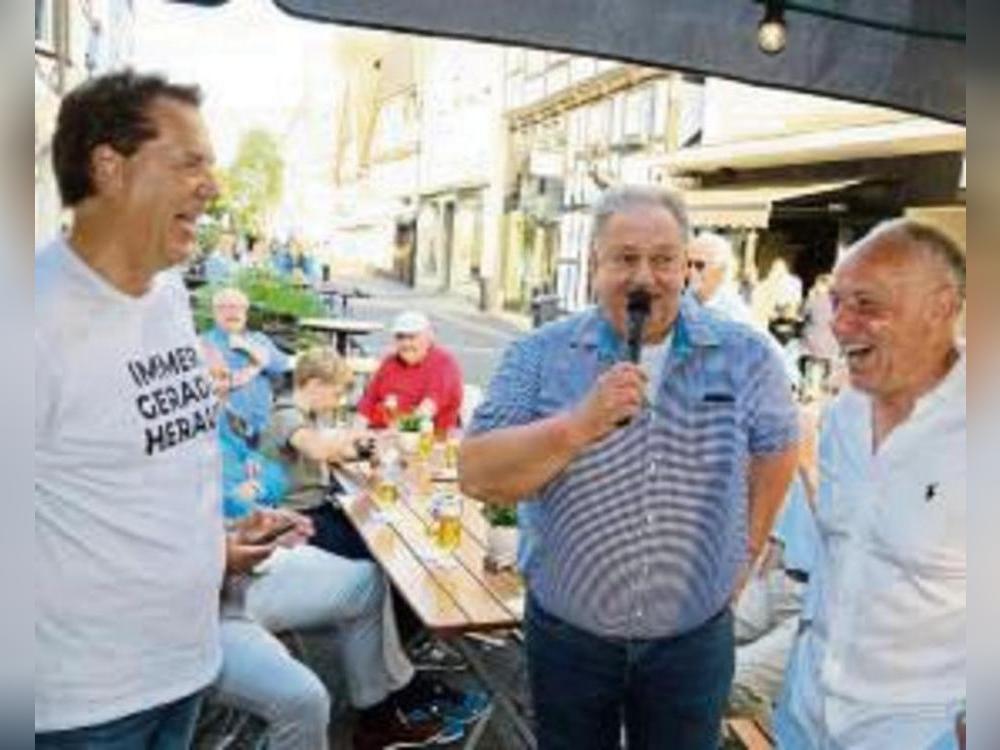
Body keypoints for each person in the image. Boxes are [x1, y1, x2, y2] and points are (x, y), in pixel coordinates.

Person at [459, 185, 800, 750]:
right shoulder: (539, 354)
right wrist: (577, 425)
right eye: (625, 258)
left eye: (663, 260)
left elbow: (780, 445)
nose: (645, 277)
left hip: (692, 640)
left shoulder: (748, 355)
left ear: (687, 267)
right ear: (595, 264)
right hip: (569, 636)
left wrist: (747, 548)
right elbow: (476, 473)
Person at [35, 70, 225, 746]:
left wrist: (219, 546)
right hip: (83, 704)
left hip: (186, 666)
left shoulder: (169, 294)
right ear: (109, 169)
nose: (213, 185)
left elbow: (157, 464)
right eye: (189, 163)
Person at [775, 219, 967, 750]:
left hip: (919, 734)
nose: (839, 324)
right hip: (806, 717)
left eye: (866, 304)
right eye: (836, 302)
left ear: (941, 306)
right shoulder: (843, 417)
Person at [258, 347, 489, 735]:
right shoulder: (286, 415)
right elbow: (316, 447)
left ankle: (395, 663)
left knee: (391, 547)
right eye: (335, 393)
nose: (340, 401)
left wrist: (360, 443)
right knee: (392, 562)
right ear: (313, 385)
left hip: (313, 511)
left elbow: (332, 446)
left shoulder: (302, 415)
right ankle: (399, 671)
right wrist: (359, 437)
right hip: (299, 522)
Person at [201, 286, 291, 438]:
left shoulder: (259, 339)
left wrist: (253, 350)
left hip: (262, 427)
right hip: (225, 432)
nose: (233, 312)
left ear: (246, 313)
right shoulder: (203, 344)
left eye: (239, 307)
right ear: (214, 312)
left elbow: (282, 366)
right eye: (225, 307)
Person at [357, 311, 464, 434]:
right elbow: (368, 403)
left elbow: (426, 411)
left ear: (429, 338)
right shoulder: (389, 362)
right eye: (400, 337)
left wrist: (394, 432)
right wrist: (356, 433)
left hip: (428, 438)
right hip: (382, 433)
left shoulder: (443, 363)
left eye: (412, 337)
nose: (406, 343)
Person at [686, 230, 755, 327]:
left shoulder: (734, 314)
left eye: (699, 265)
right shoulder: (683, 301)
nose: (691, 271)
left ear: (720, 270)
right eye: (688, 264)